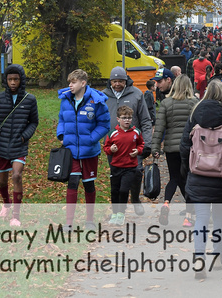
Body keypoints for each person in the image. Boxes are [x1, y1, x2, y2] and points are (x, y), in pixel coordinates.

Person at [179, 80, 222, 280]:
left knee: (200, 219)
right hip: (221, 177)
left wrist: (187, 168)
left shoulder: (194, 117)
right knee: (218, 219)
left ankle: (199, 258)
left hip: (198, 174)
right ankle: (217, 256)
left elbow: (184, 146)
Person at [0, 64, 38, 227]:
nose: (13, 82)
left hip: (19, 146)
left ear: (21, 80)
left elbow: (34, 122)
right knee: (2, 182)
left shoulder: (30, 99)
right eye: (10, 79)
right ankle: (6, 204)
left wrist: (24, 137)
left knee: (17, 176)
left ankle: (16, 216)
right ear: (6, 80)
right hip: (2, 146)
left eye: (16, 79)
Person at [57, 69, 110, 231]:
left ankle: (89, 221)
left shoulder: (97, 101)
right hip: (71, 151)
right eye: (69, 83)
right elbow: (61, 119)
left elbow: (104, 125)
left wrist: (91, 139)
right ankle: (69, 223)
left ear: (83, 83)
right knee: (72, 182)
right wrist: (61, 135)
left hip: (89, 152)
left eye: (73, 82)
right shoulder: (66, 99)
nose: (70, 85)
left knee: (88, 185)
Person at [103, 67, 152, 216]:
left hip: (133, 144)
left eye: (120, 81)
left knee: (136, 172)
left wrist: (147, 143)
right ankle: (118, 211)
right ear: (110, 81)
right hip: (114, 145)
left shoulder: (136, 94)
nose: (117, 84)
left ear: (126, 81)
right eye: (114, 81)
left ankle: (136, 199)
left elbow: (145, 119)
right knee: (116, 177)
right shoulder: (104, 96)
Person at [152, 75, 198, 227]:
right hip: (189, 147)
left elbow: (159, 128)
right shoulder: (194, 103)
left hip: (171, 147)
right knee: (189, 180)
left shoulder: (166, 103)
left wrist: (156, 147)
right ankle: (189, 216)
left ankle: (166, 203)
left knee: (174, 178)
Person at [103, 106, 144, 226]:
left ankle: (121, 213)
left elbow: (141, 144)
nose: (127, 120)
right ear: (118, 119)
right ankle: (115, 213)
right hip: (116, 166)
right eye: (124, 118)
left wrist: (138, 150)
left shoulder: (136, 132)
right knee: (115, 191)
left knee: (124, 189)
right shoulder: (113, 133)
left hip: (130, 167)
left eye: (129, 118)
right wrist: (111, 149)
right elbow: (106, 147)